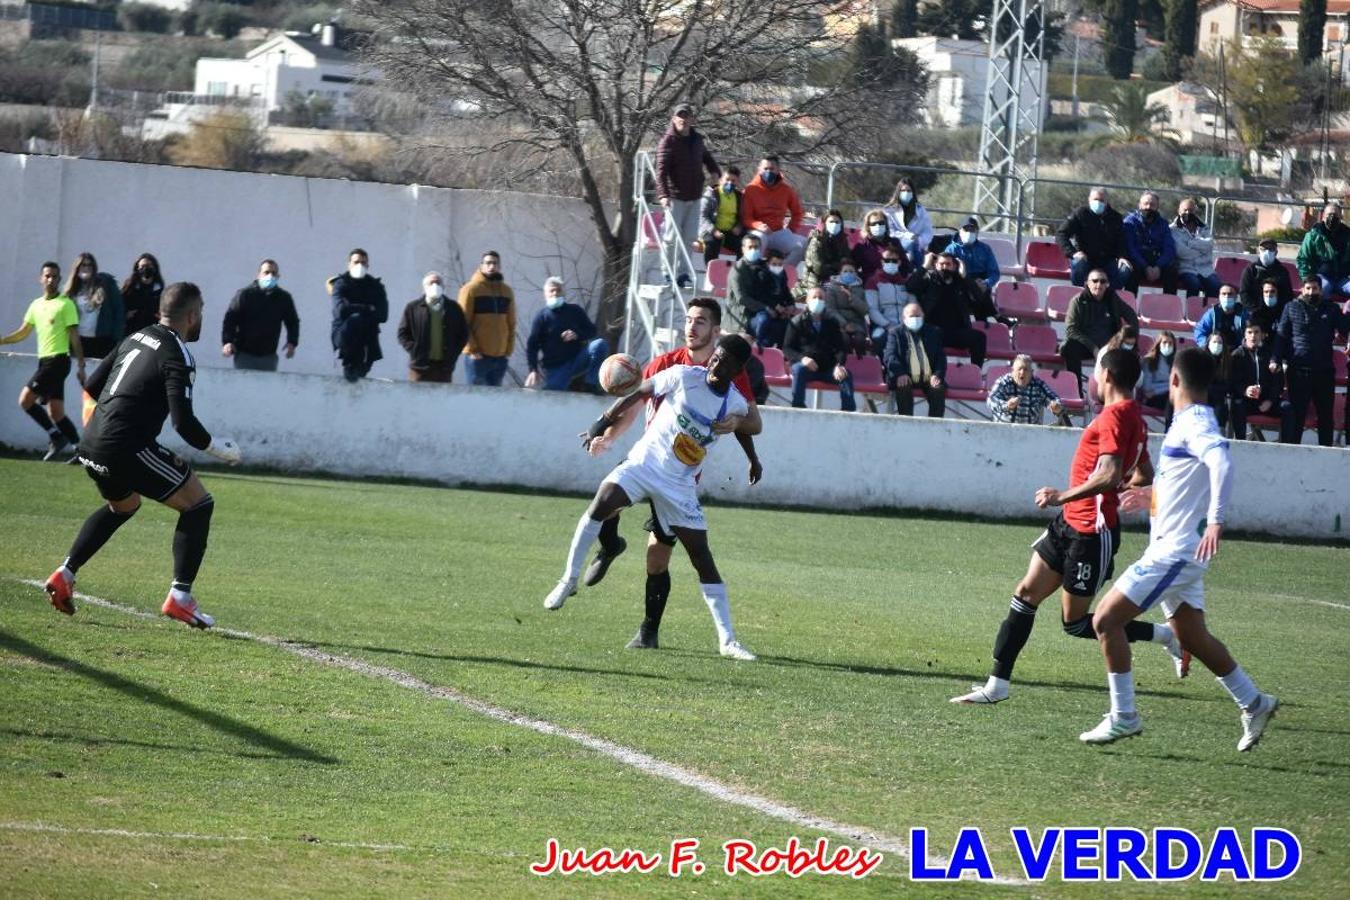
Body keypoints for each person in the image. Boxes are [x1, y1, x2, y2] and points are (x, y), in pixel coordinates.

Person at [951, 349, 1184, 706]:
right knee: (1025, 594)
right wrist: (1119, 487)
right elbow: (1143, 474)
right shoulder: (1131, 416)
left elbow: (1108, 474)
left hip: (1092, 534)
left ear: (1106, 375)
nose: (1092, 378)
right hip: (1069, 524)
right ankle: (997, 685)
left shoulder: (1115, 418)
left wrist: (1064, 495)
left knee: (1074, 624)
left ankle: (1166, 636)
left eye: (1096, 371)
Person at [1082, 347, 1277, 750]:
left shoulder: (1196, 423)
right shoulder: (1189, 421)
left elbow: (1221, 462)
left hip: (1175, 552)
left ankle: (1124, 717)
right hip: (1177, 548)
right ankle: (1254, 702)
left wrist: (1218, 519)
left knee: (1105, 619)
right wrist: (1152, 493)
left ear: (1173, 379)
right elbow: (1189, 479)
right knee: (1191, 635)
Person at [542, 334, 758, 662]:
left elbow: (748, 427)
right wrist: (602, 422)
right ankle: (568, 580)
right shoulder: (685, 376)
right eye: (716, 356)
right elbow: (638, 394)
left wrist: (752, 457)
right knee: (601, 503)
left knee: (702, 557)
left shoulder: (735, 403)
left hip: (680, 486)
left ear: (737, 368)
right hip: (643, 465)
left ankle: (727, 640)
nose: (716, 363)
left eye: (725, 361)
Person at [43, 282, 242, 628]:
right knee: (199, 504)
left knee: (124, 505)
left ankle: (65, 573)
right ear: (193, 315)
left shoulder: (135, 337)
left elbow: (91, 387)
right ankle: (180, 598)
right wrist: (216, 447)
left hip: (91, 442)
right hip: (125, 446)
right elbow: (183, 422)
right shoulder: (178, 354)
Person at [0, 261, 84, 460]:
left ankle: (56, 437)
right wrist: (3, 340)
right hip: (44, 361)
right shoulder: (36, 305)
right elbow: (23, 332)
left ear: (59, 279)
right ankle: (79, 450)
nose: (51, 279)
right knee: (56, 412)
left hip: (58, 361)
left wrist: (81, 365)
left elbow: (74, 336)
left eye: (55, 276)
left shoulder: (65, 304)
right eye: (47, 276)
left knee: (25, 400)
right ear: (41, 278)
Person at [1274, 277, 1349, 446]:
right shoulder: (1290, 307)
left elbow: (1346, 329)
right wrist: (1275, 359)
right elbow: (1281, 336)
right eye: (1307, 288)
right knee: (1297, 415)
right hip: (1298, 371)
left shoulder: (1331, 309)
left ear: (1321, 290)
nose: (1311, 292)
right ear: (1301, 289)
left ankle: (1326, 454)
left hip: (1324, 371)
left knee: (1325, 416)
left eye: (1315, 288)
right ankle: (1293, 453)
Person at [655, 103, 720, 288]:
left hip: (695, 196)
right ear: (674, 119)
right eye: (679, 116)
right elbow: (661, 172)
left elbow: (707, 158)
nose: (683, 119)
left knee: (690, 237)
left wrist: (715, 171)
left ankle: (683, 274)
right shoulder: (667, 141)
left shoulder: (697, 139)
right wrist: (663, 195)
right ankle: (667, 272)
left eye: (686, 116)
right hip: (675, 197)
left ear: (692, 119)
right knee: (671, 238)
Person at [524, 277, 608, 391]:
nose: (555, 293)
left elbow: (592, 331)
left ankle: (591, 384)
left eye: (558, 290)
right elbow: (532, 346)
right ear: (545, 294)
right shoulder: (542, 317)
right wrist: (533, 370)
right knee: (552, 396)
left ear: (563, 293)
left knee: (600, 345)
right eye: (551, 291)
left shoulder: (575, 310)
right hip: (556, 367)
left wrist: (577, 334)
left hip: (577, 359)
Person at [221, 259, 300, 371]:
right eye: (266, 272)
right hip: (244, 355)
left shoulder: (284, 298)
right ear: (258, 275)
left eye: (273, 273)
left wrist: (292, 342)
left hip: (268, 356)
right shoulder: (245, 295)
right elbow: (230, 319)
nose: (270, 276)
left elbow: (292, 321)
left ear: (278, 276)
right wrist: (227, 342)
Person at [1061, 269, 1139, 381]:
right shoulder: (1077, 301)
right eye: (1095, 281)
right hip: (1086, 345)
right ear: (1087, 283)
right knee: (1069, 347)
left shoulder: (1112, 298)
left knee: (1129, 351)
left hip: (1110, 345)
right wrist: (1093, 348)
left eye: (1103, 281)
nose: (1099, 284)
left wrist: (1132, 337)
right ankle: (1076, 389)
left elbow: (1131, 315)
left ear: (1107, 284)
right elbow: (1071, 330)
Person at [784, 287, 855, 412]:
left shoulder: (832, 323)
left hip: (827, 369)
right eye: (814, 297)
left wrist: (839, 365)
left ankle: (848, 413)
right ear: (807, 300)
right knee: (799, 370)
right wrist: (803, 359)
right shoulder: (796, 322)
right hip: (806, 367)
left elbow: (840, 348)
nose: (818, 300)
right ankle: (798, 408)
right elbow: (787, 348)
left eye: (821, 298)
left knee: (846, 375)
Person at [913, 252, 988, 366]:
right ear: (936, 265)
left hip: (956, 332)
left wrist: (965, 277)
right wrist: (924, 266)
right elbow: (910, 286)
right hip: (933, 331)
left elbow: (979, 298)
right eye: (941, 264)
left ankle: (975, 372)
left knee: (979, 338)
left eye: (948, 264)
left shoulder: (960, 282)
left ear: (954, 266)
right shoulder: (929, 280)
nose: (944, 267)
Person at [397, 271, 467, 383]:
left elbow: (463, 334)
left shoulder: (454, 308)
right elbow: (403, 333)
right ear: (424, 288)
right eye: (431, 283)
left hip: (444, 367)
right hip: (420, 367)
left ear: (443, 287)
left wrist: (454, 352)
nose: (435, 286)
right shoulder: (413, 308)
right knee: (417, 399)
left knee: (443, 399)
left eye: (438, 283)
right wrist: (415, 350)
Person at [329, 248, 388, 382]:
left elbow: (383, 315)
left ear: (368, 266)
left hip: (368, 338)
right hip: (343, 336)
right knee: (355, 320)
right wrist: (367, 308)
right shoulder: (340, 284)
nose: (359, 265)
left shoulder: (376, 286)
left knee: (363, 321)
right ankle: (349, 364)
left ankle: (362, 366)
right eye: (356, 262)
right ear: (349, 264)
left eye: (363, 262)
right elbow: (340, 310)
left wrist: (354, 307)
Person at [459, 250, 517, 386]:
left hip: (500, 357)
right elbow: (462, 322)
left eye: (495, 263)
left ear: (499, 266)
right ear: (481, 265)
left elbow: (511, 322)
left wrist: (508, 350)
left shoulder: (507, 291)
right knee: (476, 400)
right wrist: (472, 349)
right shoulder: (470, 289)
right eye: (488, 263)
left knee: (494, 401)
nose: (491, 266)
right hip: (478, 357)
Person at [1056, 187, 1130, 289]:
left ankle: (1110, 298)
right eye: (1095, 199)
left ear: (1107, 201)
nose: (1098, 202)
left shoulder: (1116, 218)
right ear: (1089, 200)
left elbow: (1121, 240)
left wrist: (1122, 257)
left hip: (1107, 261)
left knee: (1125, 269)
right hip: (1085, 259)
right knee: (1078, 264)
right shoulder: (1080, 214)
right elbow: (1061, 234)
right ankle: (1080, 295)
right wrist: (1073, 253)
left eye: (1101, 200)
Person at [883, 301, 947, 418]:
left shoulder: (934, 332)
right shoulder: (895, 333)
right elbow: (889, 356)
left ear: (923, 316)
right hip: (905, 375)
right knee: (902, 386)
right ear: (903, 318)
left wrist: (937, 375)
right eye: (912, 316)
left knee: (938, 389)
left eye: (918, 316)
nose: (915, 319)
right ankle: (907, 424)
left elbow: (940, 357)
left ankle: (935, 426)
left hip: (929, 377)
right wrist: (900, 373)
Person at [739, 155, 806, 265]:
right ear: (759, 169)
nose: (768, 172)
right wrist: (758, 225)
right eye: (765, 169)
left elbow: (798, 212)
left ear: (778, 170)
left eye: (772, 169)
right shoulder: (750, 189)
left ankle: (782, 271)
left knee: (802, 244)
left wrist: (790, 229)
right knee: (756, 242)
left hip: (778, 232)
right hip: (758, 232)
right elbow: (746, 218)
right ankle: (756, 272)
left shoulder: (786, 190)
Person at [1228, 323, 1284, 441]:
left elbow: (1278, 382)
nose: (1253, 336)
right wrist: (1244, 390)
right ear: (1245, 334)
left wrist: (1270, 400)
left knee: (1287, 408)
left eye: (1256, 332)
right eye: (1249, 332)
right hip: (1246, 402)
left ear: (1262, 335)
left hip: (1266, 401)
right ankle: (1240, 445)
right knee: (1237, 405)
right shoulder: (1236, 355)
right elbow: (1231, 382)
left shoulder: (1271, 355)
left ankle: (1288, 450)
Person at [65, 251, 124, 360]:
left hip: (102, 340)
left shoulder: (106, 284)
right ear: (77, 267)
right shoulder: (71, 290)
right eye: (83, 265)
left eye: (89, 265)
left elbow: (119, 311)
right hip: (78, 340)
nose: (86, 268)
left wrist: (116, 338)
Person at [1122, 191, 1179, 294]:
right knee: (1131, 271)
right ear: (1139, 205)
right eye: (1145, 203)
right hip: (1138, 261)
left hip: (1157, 262)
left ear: (1157, 207)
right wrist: (1145, 266)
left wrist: (1158, 266)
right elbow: (1131, 249)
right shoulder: (1129, 222)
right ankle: (1129, 307)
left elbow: (1169, 248)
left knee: (1172, 271)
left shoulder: (1163, 224)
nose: (1148, 207)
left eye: (1152, 205)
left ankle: (1169, 307)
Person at [724, 234, 776, 340]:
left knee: (785, 324)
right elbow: (742, 299)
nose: (753, 250)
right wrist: (766, 308)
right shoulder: (737, 270)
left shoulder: (765, 267)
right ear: (743, 249)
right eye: (750, 247)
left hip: (758, 312)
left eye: (756, 247)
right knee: (764, 320)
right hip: (742, 317)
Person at [986, 354, 1064, 425]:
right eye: (1019, 369)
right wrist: (1006, 405)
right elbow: (991, 400)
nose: (1022, 372)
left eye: (1026, 369)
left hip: (1031, 431)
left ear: (1032, 372)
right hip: (1004, 429)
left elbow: (1052, 398)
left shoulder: (1038, 384)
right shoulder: (1004, 382)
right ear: (1013, 371)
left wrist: (1056, 406)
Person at [1295, 203, 1350, 298]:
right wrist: (1307, 280)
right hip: (1322, 278)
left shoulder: (1348, 235)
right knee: (1315, 293)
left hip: (1343, 279)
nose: (1332, 218)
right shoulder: (1313, 235)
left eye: (1336, 215)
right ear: (1323, 216)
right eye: (1329, 215)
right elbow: (1302, 259)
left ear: (1341, 216)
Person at [1171, 198, 1221, 298]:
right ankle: (1191, 312)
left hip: (1205, 269)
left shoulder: (1204, 228)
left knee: (1215, 285)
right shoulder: (1173, 229)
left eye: (1191, 210)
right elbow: (1181, 252)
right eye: (1185, 210)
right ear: (1179, 211)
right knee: (1194, 284)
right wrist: (1201, 249)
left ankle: (1208, 311)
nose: (1188, 212)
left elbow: (1209, 244)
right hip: (1186, 269)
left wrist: (1190, 243)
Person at [1240, 241, 1293, 331]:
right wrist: (1255, 309)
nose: (1267, 252)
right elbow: (1244, 293)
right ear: (1259, 251)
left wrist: (1278, 309)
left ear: (1276, 252)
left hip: (1277, 314)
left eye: (1271, 249)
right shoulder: (1250, 270)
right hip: (1256, 313)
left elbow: (1287, 294)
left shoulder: (1282, 271)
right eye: (1264, 249)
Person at [864, 248, 913, 348]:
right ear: (882, 262)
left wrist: (908, 324)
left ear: (899, 262)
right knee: (879, 337)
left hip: (905, 325)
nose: (891, 263)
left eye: (894, 261)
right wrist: (887, 325)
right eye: (887, 260)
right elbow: (872, 309)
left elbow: (912, 305)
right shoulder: (872, 281)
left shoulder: (905, 282)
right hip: (882, 326)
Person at [882, 177, 934, 269]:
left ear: (913, 193)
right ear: (898, 192)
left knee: (915, 246)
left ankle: (916, 272)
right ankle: (915, 271)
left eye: (909, 191)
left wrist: (919, 240)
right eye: (903, 190)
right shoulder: (889, 210)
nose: (906, 193)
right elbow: (890, 232)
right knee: (910, 244)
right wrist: (908, 236)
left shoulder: (920, 210)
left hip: (917, 247)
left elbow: (928, 231)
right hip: (896, 246)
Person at [943, 217, 1000, 300]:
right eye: (966, 230)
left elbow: (994, 272)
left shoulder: (985, 249)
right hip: (959, 287)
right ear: (960, 231)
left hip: (981, 287)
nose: (969, 232)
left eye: (972, 230)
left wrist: (986, 283)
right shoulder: (951, 249)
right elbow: (945, 273)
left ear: (977, 232)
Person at [822, 259, 870, 354]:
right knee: (844, 340)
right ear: (840, 273)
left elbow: (865, 310)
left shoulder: (861, 290)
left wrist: (851, 296)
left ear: (856, 274)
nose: (848, 273)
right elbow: (830, 310)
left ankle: (861, 364)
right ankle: (844, 364)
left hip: (857, 324)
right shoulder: (832, 288)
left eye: (851, 271)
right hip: (839, 324)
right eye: (845, 271)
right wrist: (844, 324)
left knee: (860, 340)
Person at [698, 166, 743, 265]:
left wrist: (738, 226)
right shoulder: (711, 194)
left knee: (745, 245)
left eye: (733, 180)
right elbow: (702, 215)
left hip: (729, 232)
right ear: (721, 179)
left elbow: (742, 216)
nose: (730, 183)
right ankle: (711, 272)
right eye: (727, 179)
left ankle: (738, 272)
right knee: (712, 244)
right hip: (711, 230)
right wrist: (713, 230)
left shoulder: (739, 197)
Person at [801, 208, 851, 291]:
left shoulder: (843, 240)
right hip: (815, 280)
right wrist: (836, 267)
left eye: (837, 222)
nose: (834, 224)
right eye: (831, 222)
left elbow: (847, 262)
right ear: (824, 224)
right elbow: (818, 268)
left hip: (836, 279)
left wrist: (832, 267)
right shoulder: (816, 240)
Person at [850, 209, 904, 283]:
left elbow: (905, 266)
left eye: (881, 223)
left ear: (886, 225)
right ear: (868, 226)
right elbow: (852, 268)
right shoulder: (861, 246)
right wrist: (867, 279)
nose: (878, 226)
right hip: (872, 285)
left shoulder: (895, 242)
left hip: (894, 283)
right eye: (873, 224)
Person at [120, 252, 164, 335]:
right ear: (137, 269)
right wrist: (125, 316)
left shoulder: (160, 291)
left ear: (155, 268)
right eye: (142, 266)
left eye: (149, 266)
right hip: (131, 333)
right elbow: (118, 309)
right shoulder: (129, 288)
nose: (146, 269)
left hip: (152, 333)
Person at [1193, 283, 1245, 349]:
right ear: (1219, 296)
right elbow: (1199, 331)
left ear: (1236, 297)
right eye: (1224, 294)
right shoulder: (1212, 313)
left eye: (1230, 294)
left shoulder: (1244, 314)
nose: (1226, 296)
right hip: (1216, 350)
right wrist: (1206, 344)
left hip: (1238, 351)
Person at [1137, 331, 1176, 412]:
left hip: (1169, 395)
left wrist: (1156, 389)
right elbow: (1147, 389)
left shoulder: (1176, 361)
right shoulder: (1149, 361)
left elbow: (1179, 384)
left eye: (1170, 343)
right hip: (1155, 399)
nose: (1167, 345)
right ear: (1159, 344)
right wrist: (1170, 385)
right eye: (1164, 342)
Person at [1203, 331, 1233, 433]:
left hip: (1219, 400)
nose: (1217, 345)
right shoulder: (1200, 359)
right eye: (1214, 342)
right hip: (1202, 398)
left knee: (1221, 409)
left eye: (1220, 343)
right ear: (1208, 344)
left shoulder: (1228, 362)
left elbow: (1228, 386)